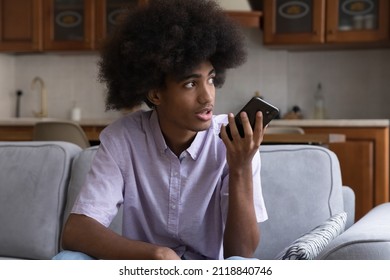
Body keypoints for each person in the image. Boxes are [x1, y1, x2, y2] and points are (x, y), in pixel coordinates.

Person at [54, 0, 268, 260]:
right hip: (146, 268)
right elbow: (76, 231)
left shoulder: (234, 143)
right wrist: (156, 255)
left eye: (211, 79)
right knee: (67, 261)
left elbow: (242, 254)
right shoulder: (124, 138)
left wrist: (240, 167)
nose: (207, 97)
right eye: (191, 84)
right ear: (155, 93)